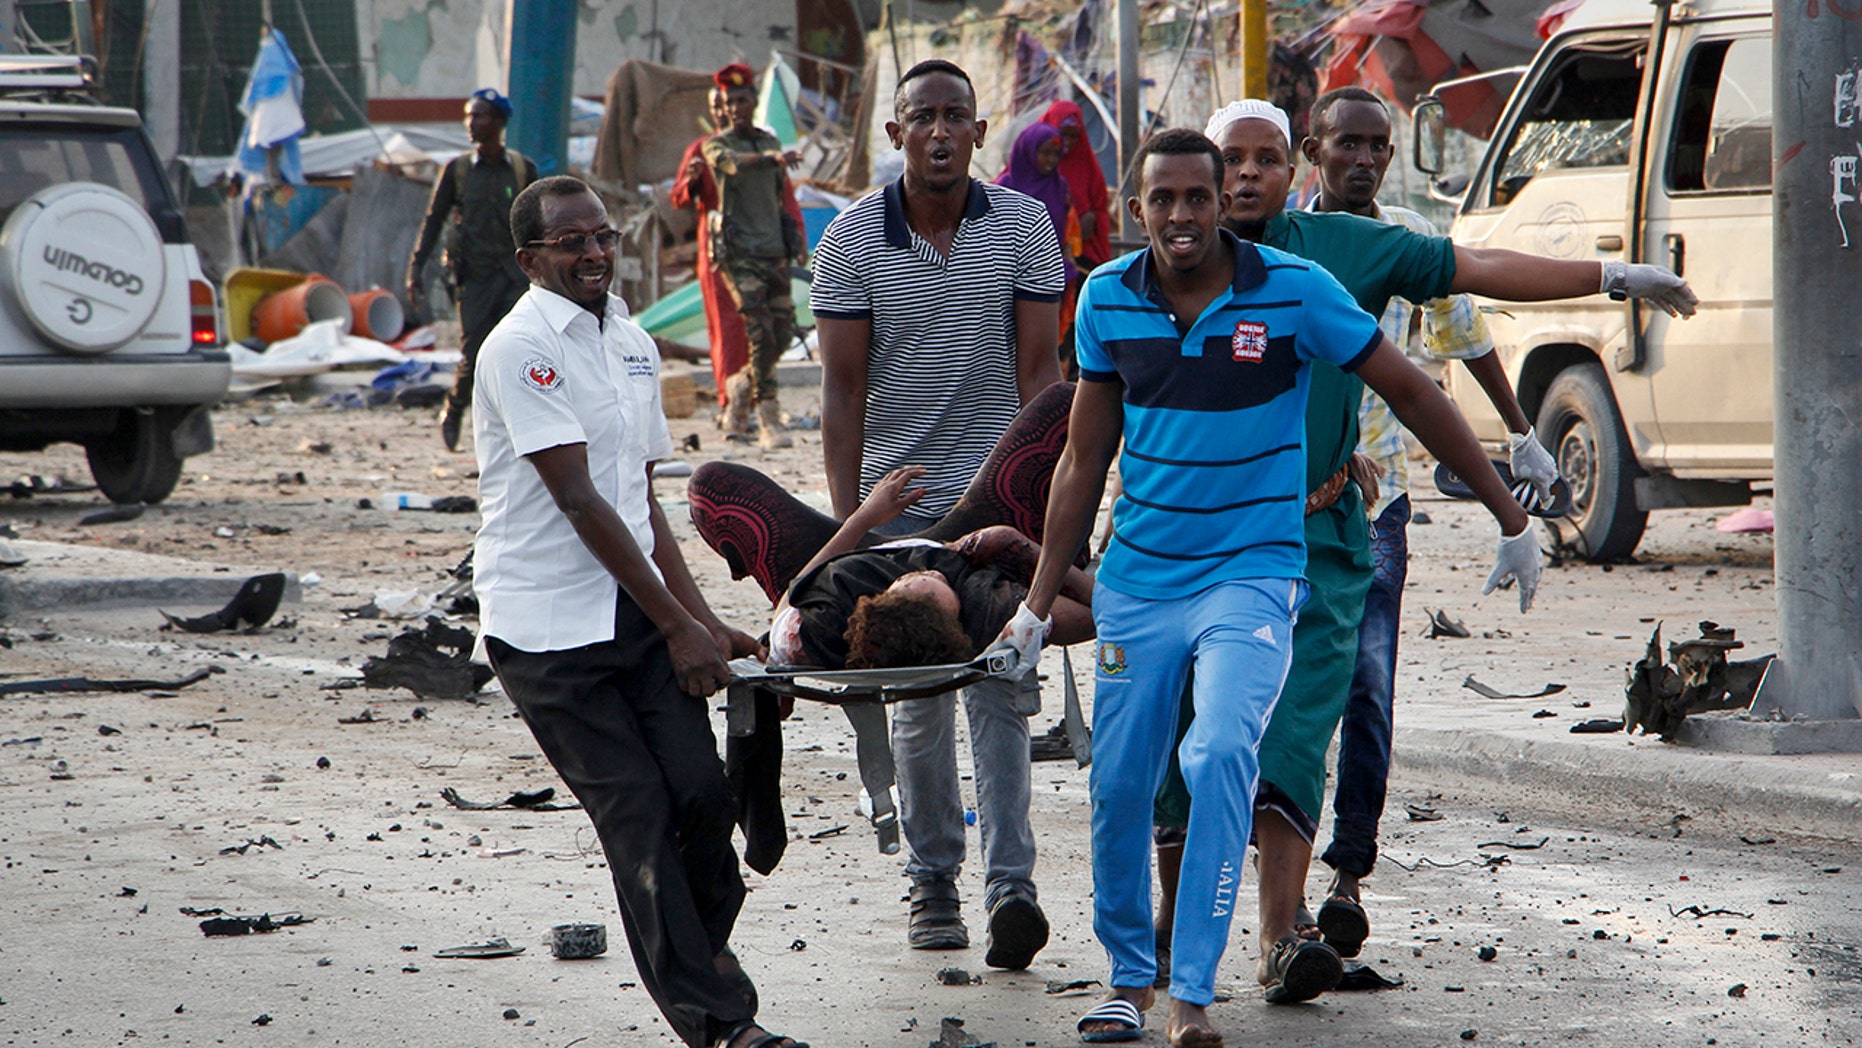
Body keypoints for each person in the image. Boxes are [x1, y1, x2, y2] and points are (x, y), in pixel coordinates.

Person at [1152, 98, 1694, 1007]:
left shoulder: (1337, 251)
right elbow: (1091, 416)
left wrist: (1610, 276)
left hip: (1321, 538)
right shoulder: (1147, 275)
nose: (1244, 177)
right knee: (1189, 739)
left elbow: (1468, 281)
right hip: (1195, 546)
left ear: (1297, 170)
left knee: (1299, 732)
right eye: (1227, 161)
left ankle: (1284, 937)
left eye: (1264, 160)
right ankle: (1172, 930)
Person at [1007, 127, 1540, 1048]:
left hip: (1253, 575)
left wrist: (1511, 513)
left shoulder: (1294, 290)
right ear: (1140, 211)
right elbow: (1083, 459)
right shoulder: (1103, 300)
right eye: (1162, 200)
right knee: (1123, 783)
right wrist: (1033, 603)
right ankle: (1129, 979)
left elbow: (1412, 390)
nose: (1181, 216)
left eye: (1197, 198)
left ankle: (1193, 997)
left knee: (1219, 757)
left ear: (1225, 203)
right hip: (1140, 581)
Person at [470, 174, 801, 1048]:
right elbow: (580, 500)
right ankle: (723, 1024)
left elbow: (639, 499)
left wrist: (700, 619)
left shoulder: (630, 340)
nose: (594, 253)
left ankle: (694, 956)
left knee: (700, 796)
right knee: (640, 820)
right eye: (571, 241)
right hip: (546, 634)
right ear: (531, 259)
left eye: (603, 236)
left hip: (633, 612)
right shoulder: (520, 347)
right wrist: (677, 626)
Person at [810, 58, 1064, 967]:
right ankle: (930, 880)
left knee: (1003, 682)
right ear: (896, 135)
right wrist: (852, 532)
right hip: (897, 503)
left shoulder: (1026, 227)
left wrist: (1039, 519)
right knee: (916, 692)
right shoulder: (848, 240)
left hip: (997, 501)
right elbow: (841, 392)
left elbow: (1044, 382)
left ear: (980, 131)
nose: (941, 132)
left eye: (957, 115)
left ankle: (1012, 888)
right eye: (923, 117)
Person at [1301, 86, 1561, 957]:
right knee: (1273, 696)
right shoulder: (1271, 240)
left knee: (1367, 685)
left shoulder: (1406, 235)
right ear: (1316, 149)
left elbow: (1464, 333)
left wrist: (1521, 433)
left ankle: (1347, 872)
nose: (1364, 160)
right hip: (1283, 502)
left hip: (1377, 507)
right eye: (1348, 144)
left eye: (1379, 144)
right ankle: (1278, 886)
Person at [765, 465, 1096, 672]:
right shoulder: (986, 610)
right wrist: (1022, 548)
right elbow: (1101, 614)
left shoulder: (819, 625)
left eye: (915, 577)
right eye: (936, 579)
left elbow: (789, 601)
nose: (929, 571)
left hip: (885, 549)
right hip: (972, 558)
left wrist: (863, 518)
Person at [670, 85, 807, 437]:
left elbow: (784, 197)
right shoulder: (715, 145)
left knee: (781, 333)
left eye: (741, 100)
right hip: (738, 253)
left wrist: (798, 240)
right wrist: (772, 159)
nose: (734, 108)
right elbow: (726, 166)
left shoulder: (769, 143)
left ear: (754, 103)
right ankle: (768, 418)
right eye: (727, 102)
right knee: (757, 330)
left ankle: (740, 387)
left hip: (774, 248)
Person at [407, 87, 537, 451]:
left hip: (515, 276)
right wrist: (416, 267)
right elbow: (434, 220)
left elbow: (539, 222)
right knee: (475, 350)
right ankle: (454, 409)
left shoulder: (522, 169)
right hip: (475, 278)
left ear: (498, 122)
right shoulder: (458, 170)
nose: (471, 123)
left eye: (478, 116)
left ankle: (515, 424)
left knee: (519, 349)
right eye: (468, 116)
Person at [1040, 100, 1113, 272]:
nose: (1068, 142)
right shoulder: (1036, 164)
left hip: (1081, 255)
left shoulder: (1087, 166)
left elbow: (1100, 207)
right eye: (1063, 134)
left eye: (1074, 136)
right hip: (1039, 256)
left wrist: (1091, 219)